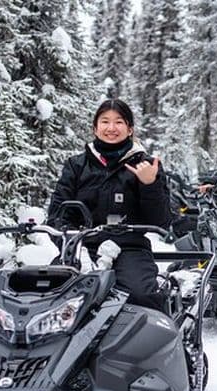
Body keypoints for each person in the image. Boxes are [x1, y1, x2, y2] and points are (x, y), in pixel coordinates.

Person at [47, 99, 171, 310]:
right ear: (95, 128)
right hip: (82, 247)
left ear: (130, 129)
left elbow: (160, 221)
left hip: (129, 248)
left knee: (141, 295)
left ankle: (150, 339)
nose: (111, 128)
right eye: (105, 121)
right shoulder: (76, 166)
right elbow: (58, 215)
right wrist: (74, 245)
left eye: (119, 122)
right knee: (50, 292)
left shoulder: (145, 165)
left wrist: (149, 185)